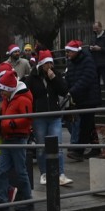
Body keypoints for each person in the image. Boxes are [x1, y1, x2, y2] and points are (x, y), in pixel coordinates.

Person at [0, 69, 34, 211]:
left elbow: (27, 118)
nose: (1, 93)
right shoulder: (10, 98)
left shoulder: (21, 99)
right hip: (9, 137)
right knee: (2, 170)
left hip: (17, 137)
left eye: (2, 90)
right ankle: (3, 201)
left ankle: (27, 201)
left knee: (19, 171)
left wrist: (11, 124)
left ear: (9, 89)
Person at [29, 51, 70, 187]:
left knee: (57, 145)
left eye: (51, 63)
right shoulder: (33, 77)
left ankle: (60, 174)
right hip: (39, 117)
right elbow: (29, 95)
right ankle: (44, 173)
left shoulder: (55, 74)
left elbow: (64, 90)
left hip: (54, 116)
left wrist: (54, 79)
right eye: (47, 63)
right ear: (41, 64)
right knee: (41, 146)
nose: (50, 66)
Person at [64, 40, 99, 159]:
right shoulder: (71, 62)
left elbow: (86, 78)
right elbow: (68, 78)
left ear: (75, 51)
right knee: (90, 124)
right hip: (80, 98)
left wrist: (72, 90)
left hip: (89, 98)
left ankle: (79, 151)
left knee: (85, 125)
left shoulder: (87, 60)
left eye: (69, 52)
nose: (67, 54)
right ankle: (96, 148)